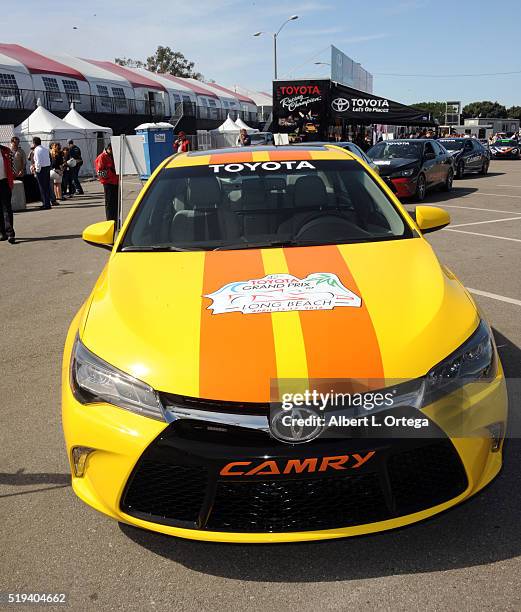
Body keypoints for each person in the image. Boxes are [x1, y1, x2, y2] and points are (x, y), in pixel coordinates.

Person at [95, 143, 119, 222]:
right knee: (109, 203)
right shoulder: (102, 157)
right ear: (109, 149)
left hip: (116, 181)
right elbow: (99, 173)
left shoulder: (113, 155)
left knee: (116, 202)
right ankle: (110, 220)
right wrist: (111, 171)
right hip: (108, 183)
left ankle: (116, 219)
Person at [31, 137, 52, 210]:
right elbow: (49, 159)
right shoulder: (45, 149)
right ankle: (47, 203)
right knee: (46, 187)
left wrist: (37, 170)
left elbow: (38, 162)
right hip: (47, 168)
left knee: (42, 187)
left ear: (34, 143)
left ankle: (45, 204)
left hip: (41, 169)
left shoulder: (36, 150)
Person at [0, 143, 15, 243]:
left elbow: (11, 166)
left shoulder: (6, 151)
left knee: (7, 208)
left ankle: (10, 233)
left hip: (4, 182)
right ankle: (2, 233)